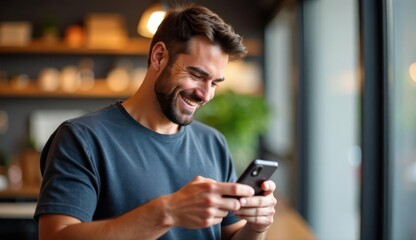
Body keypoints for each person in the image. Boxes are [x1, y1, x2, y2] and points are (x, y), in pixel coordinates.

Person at [34, 3, 277, 240]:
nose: (205, 94)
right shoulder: (82, 138)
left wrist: (257, 227)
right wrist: (168, 212)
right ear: (159, 56)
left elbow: (229, 235)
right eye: (196, 75)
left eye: (214, 83)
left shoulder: (213, 143)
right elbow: (56, 235)